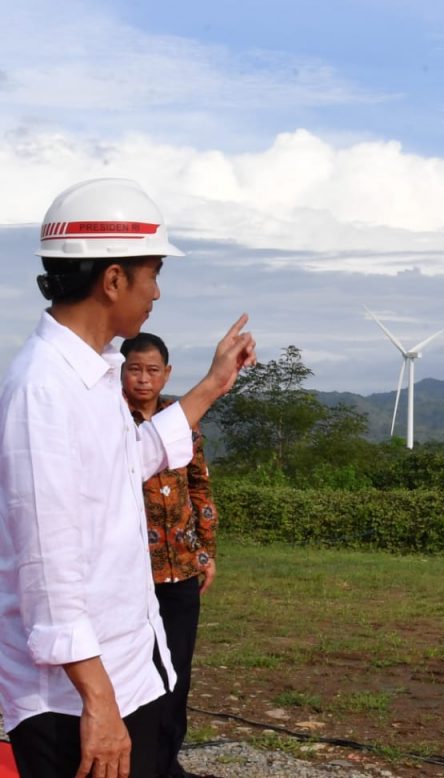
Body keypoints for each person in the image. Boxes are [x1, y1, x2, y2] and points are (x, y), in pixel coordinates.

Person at [0, 178, 255, 778]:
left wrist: (215, 384)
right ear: (113, 279)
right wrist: (99, 703)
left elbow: (132, 457)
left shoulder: (92, 376)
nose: (157, 292)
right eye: (153, 273)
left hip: (129, 667)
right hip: (74, 701)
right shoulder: (44, 389)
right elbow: (47, 570)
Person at [120, 332, 218, 778]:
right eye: (134, 369)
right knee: (131, 677)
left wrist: (206, 551)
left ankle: (166, 763)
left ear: (167, 373)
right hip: (126, 573)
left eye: (152, 370)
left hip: (179, 570)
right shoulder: (108, 419)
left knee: (177, 673)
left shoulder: (182, 420)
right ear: (121, 372)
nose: (143, 379)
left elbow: (200, 486)